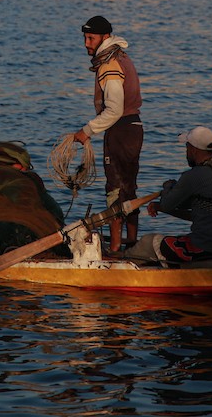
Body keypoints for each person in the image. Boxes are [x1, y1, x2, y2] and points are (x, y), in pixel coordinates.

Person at [71, 15, 143, 254]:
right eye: (84, 37)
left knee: (115, 190)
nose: (85, 43)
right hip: (133, 128)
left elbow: (114, 109)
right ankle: (131, 244)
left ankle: (114, 250)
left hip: (121, 130)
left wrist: (86, 131)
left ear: (104, 37)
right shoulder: (120, 56)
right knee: (129, 190)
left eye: (90, 38)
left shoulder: (109, 64)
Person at [143, 126, 212, 264]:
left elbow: (167, 204)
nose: (186, 152)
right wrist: (158, 206)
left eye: (186, 148)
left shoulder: (192, 176)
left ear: (193, 150)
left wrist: (168, 186)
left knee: (148, 241)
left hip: (205, 247)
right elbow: (197, 207)